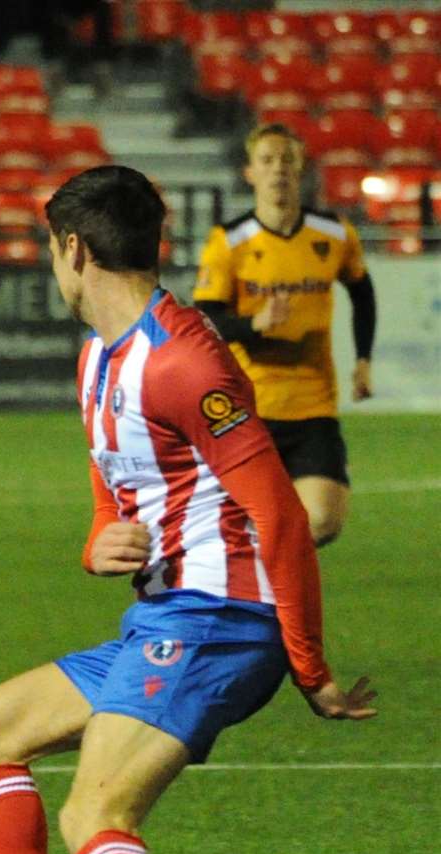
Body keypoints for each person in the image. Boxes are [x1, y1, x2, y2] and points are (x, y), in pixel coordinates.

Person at [0, 165, 375, 854]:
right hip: (166, 616)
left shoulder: (183, 360)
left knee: (95, 812)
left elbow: (281, 514)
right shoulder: (102, 353)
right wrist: (100, 543)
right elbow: (114, 487)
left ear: (73, 249)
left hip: (222, 622)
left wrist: (310, 666)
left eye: (48, 250)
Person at [193, 123, 377, 548]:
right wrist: (253, 325)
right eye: (268, 160)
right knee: (245, 528)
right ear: (250, 173)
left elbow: (362, 291)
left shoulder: (334, 234)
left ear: (302, 169)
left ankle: (265, 575)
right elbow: (206, 320)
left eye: (287, 160)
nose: (278, 169)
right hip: (248, 409)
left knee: (323, 521)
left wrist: (363, 360)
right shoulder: (229, 241)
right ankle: (267, 596)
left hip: (313, 405)